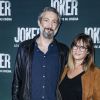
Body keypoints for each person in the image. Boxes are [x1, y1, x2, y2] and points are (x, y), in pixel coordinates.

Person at [12, 7, 69, 100]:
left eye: (54, 22)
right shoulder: (24, 48)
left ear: (57, 27)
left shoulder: (64, 51)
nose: (50, 25)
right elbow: (17, 82)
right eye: (46, 20)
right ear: (39, 22)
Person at [59, 33, 100, 100]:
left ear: (88, 52)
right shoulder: (64, 70)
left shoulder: (95, 73)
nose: (77, 50)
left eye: (82, 47)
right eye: (75, 46)